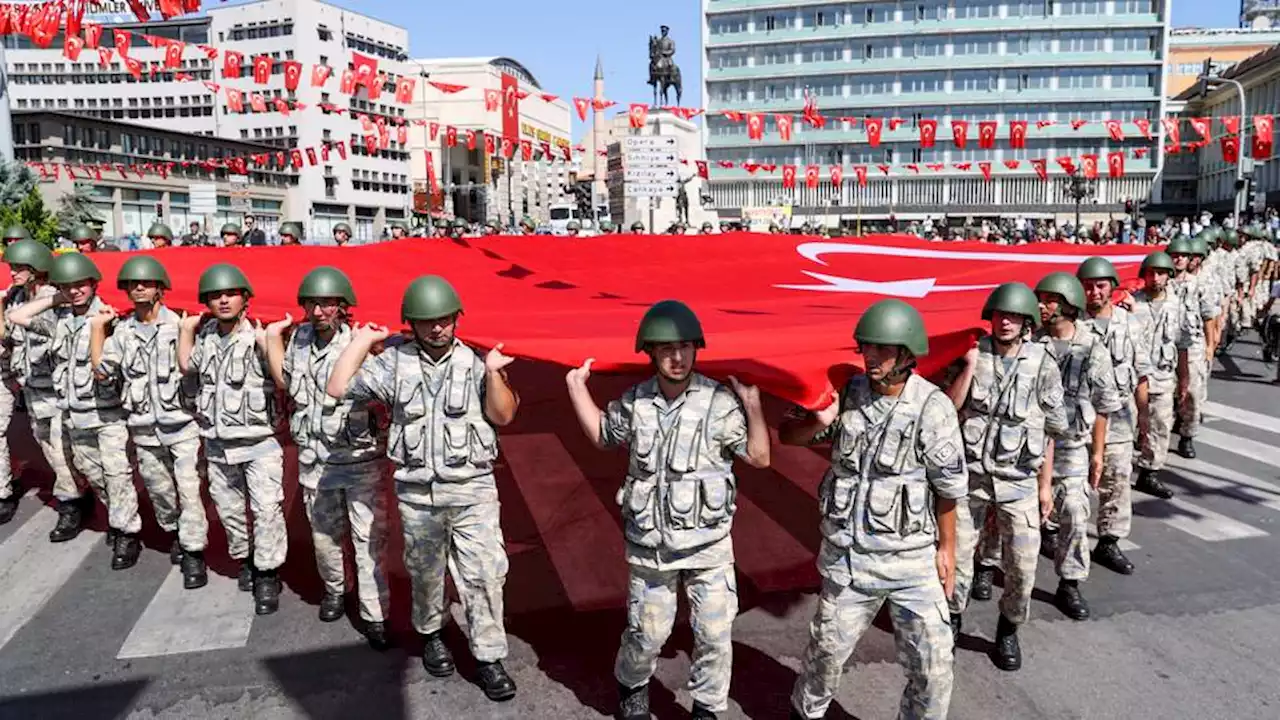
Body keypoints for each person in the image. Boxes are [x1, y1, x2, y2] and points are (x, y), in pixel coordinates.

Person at [564, 300, 767, 720]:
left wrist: (752, 405)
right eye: (667, 349)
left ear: (697, 349)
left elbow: (759, 457)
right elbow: (604, 434)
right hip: (651, 547)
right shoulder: (636, 402)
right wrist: (575, 387)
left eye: (685, 348)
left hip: (708, 547)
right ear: (651, 353)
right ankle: (632, 683)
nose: (677, 358)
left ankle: (708, 707)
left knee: (714, 633)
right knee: (648, 632)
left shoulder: (718, 402)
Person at [325, 275, 520, 702]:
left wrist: (493, 376)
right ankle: (431, 634)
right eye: (427, 321)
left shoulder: (475, 361)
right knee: (426, 574)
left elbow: (504, 417)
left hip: (472, 491)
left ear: (456, 318)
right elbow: (338, 387)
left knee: (485, 576)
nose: (438, 328)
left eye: (445, 319)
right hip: (418, 494)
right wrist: (362, 341)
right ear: (411, 323)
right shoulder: (394, 364)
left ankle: (488, 657)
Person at [781, 300, 964, 720]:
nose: (871, 357)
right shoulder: (846, 391)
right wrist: (819, 418)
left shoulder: (932, 408)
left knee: (934, 671)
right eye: (867, 347)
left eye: (883, 349)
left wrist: (947, 549)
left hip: (912, 564)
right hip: (850, 561)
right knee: (823, 659)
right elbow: (789, 435)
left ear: (906, 354)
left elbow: (949, 487)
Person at [263, 267, 391, 649]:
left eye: (327, 304)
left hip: (358, 461)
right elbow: (285, 380)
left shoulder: (364, 342)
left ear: (342, 306)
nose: (319, 311)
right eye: (312, 304)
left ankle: (375, 613)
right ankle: (336, 589)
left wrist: (377, 350)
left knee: (369, 540)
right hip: (315, 462)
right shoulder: (298, 339)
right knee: (324, 538)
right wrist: (272, 338)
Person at [947, 282, 1067, 672]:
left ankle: (1009, 628)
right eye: (1000, 315)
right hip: (972, 480)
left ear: (1027, 322)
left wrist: (1045, 485)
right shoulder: (973, 354)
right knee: (958, 559)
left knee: (1023, 563)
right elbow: (949, 410)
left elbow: (1050, 428)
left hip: (1018, 483)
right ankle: (950, 621)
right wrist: (966, 366)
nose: (1005, 322)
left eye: (1013, 316)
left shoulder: (1043, 364)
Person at [8, 252, 143, 569]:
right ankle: (118, 515)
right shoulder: (59, 320)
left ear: (93, 283)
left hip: (107, 414)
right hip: (74, 414)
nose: (75, 290)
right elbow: (18, 317)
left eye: (81, 283)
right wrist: (56, 298)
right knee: (92, 473)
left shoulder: (111, 318)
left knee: (116, 474)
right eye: (68, 285)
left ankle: (126, 532)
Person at [89, 256, 210, 589]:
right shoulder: (124, 332)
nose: (138, 287)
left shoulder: (182, 326)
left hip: (183, 426)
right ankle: (174, 531)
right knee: (160, 491)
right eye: (132, 284)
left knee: (189, 491)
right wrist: (98, 331)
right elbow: (102, 372)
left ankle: (193, 551)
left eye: (146, 283)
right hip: (143, 429)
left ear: (161, 288)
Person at [178, 263, 286, 615]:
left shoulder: (260, 335)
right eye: (215, 295)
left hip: (259, 443)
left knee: (267, 510)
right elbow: (187, 366)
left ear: (245, 299)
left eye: (230, 294)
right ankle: (246, 559)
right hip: (218, 442)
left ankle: (267, 572)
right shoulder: (206, 335)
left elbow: (283, 379)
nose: (223, 300)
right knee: (229, 511)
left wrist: (267, 342)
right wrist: (185, 329)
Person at [1032, 272, 1121, 621]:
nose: (1040, 305)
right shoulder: (1031, 343)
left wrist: (1097, 453)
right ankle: (988, 566)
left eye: (1048, 300)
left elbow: (1103, 404)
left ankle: (1069, 581)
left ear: (1067, 306)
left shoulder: (1092, 347)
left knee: (1073, 508)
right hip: (1030, 444)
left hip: (1071, 445)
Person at [1076, 257, 1151, 576]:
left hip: (1119, 421)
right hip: (1078, 422)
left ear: (1112, 288)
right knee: (1071, 486)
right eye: (1088, 286)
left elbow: (1142, 373)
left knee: (1117, 482)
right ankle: (1058, 536)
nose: (1094, 291)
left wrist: (1145, 420)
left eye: (1100, 285)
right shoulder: (1073, 325)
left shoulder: (1130, 323)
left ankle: (1108, 541)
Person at [0, 239, 56, 524]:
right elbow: (6, 336)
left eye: (19, 267)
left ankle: (77, 497)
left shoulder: (53, 297)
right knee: (44, 439)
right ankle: (3, 491)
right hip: (25, 379)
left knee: (58, 446)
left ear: (36, 268)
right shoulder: (16, 296)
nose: (12, 273)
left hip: (53, 387)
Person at [1129, 251, 1188, 498]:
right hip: (1131, 380)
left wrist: (1184, 379)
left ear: (1169, 276)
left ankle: (1149, 473)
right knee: (1127, 426)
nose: (1155, 278)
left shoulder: (1178, 306)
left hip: (1162, 378)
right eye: (1150, 273)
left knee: (1161, 425)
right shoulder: (1131, 304)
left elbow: (1183, 344)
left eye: (1161, 273)